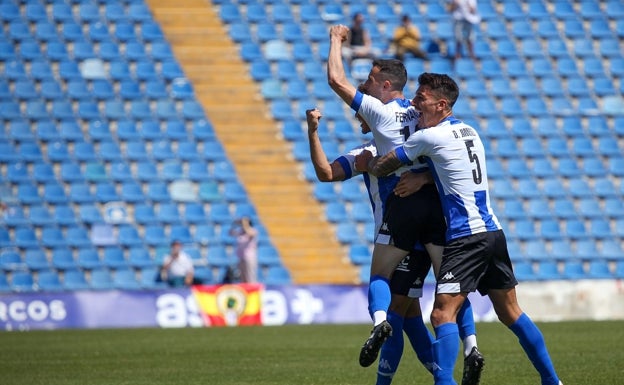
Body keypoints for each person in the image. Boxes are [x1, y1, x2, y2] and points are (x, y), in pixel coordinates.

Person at [361, 72, 563, 385]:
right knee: (510, 311)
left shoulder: (428, 137)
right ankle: (552, 381)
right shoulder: (470, 131)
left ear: (442, 105)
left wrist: (368, 163)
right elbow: (451, 169)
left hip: (465, 237)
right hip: (493, 232)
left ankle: (444, 382)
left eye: (422, 99)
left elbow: (386, 163)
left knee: (441, 314)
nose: (414, 104)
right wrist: (426, 178)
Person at [327, 25, 483, 385]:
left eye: (370, 80)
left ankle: (378, 324)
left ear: (385, 86)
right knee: (449, 287)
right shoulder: (423, 112)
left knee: (383, 284)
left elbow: (336, 79)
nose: (366, 84)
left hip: (401, 208)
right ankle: (471, 345)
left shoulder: (383, 114)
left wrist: (336, 39)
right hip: (437, 207)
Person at [307, 107, 437, 383]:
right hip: (392, 240)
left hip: (408, 241)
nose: (358, 117)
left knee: (394, 315)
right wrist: (313, 132)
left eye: (364, 114)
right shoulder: (367, 153)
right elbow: (326, 173)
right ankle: (444, 376)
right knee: (410, 316)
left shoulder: (414, 146)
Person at [229, 216, 258, 283]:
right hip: (241, 257)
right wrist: (235, 224)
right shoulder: (241, 232)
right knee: (243, 277)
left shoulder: (252, 230)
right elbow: (230, 233)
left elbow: (249, 233)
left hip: (249, 258)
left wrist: (245, 223)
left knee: (250, 277)